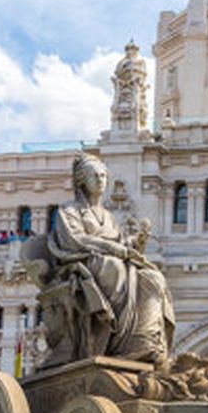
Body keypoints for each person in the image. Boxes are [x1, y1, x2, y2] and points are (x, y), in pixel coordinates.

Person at [34, 154, 175, 366]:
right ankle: (118, 342)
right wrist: (114, 249)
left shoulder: (108, 216)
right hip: (82, 263)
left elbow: (122, 242)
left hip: (112, 261)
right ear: (82, 181)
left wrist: (136, 242)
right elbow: (75, 240)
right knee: (115, 269)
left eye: (103, 176)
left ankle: (142, 341)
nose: (100, 180)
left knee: (153, 278)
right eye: (94, 176)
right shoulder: (69, 210)